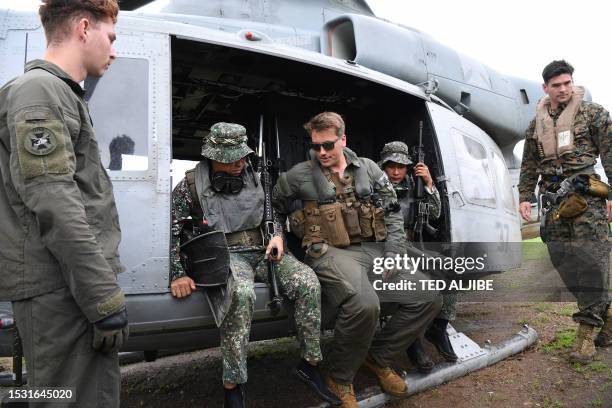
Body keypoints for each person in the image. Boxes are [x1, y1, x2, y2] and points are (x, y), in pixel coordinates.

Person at [0, 1, 128, 406]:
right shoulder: (40, 91)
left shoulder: (58, 94)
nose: (114, 49)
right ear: (84, 28)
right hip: (61, 290)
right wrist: (102, 297)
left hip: (65, 286)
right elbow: (54, 201)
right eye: (110, 37)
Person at [273, 112, 441, 407]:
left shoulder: (370, 169)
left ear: (343, 139)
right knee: (364, 304)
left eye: (328, 145)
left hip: (374, 250)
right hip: (330, 252)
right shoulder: (298, 175)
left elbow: (392, 215)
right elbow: (271, 206)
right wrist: (276, 234)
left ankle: (378, 357)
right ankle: (339, 376)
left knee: (428, 295)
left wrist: (393, 256)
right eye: (316, 146)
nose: (322, 152)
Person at [169, 122, 340, 407]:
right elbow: (172, 230)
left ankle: (310, 364)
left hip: (263, 250)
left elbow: (274, 219)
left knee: (309, 282)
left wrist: (278, 238)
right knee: (242, 294)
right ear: (213, 157)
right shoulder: (189, 185)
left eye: (243, 156)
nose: (240, 163)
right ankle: (233, 383)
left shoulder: (258, 177)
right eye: (231, 159)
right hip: (225, 254)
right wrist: (178, 274)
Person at [518, 60, 611, 363]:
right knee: (563, 263)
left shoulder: (593, 114)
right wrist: (524, 196)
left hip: (587, 200)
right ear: (545, 88)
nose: (563, 89)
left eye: (567, 83)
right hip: (554, 202)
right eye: (556, 85)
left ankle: (586, 338)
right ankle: (605, 311)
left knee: (593, 263)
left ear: (573, 83)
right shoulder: (536, 125)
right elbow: (529, 165)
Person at [378, 141, 458, 372]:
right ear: (382, 166)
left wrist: (430, 184)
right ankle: (411, 341)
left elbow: (436, 213)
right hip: (386, 248)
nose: (395, 172)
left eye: (401, 167)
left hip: (411, 246)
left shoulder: (415, 185)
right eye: (390, 166)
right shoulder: (373, 186)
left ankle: (439, 328)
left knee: (452, 269)